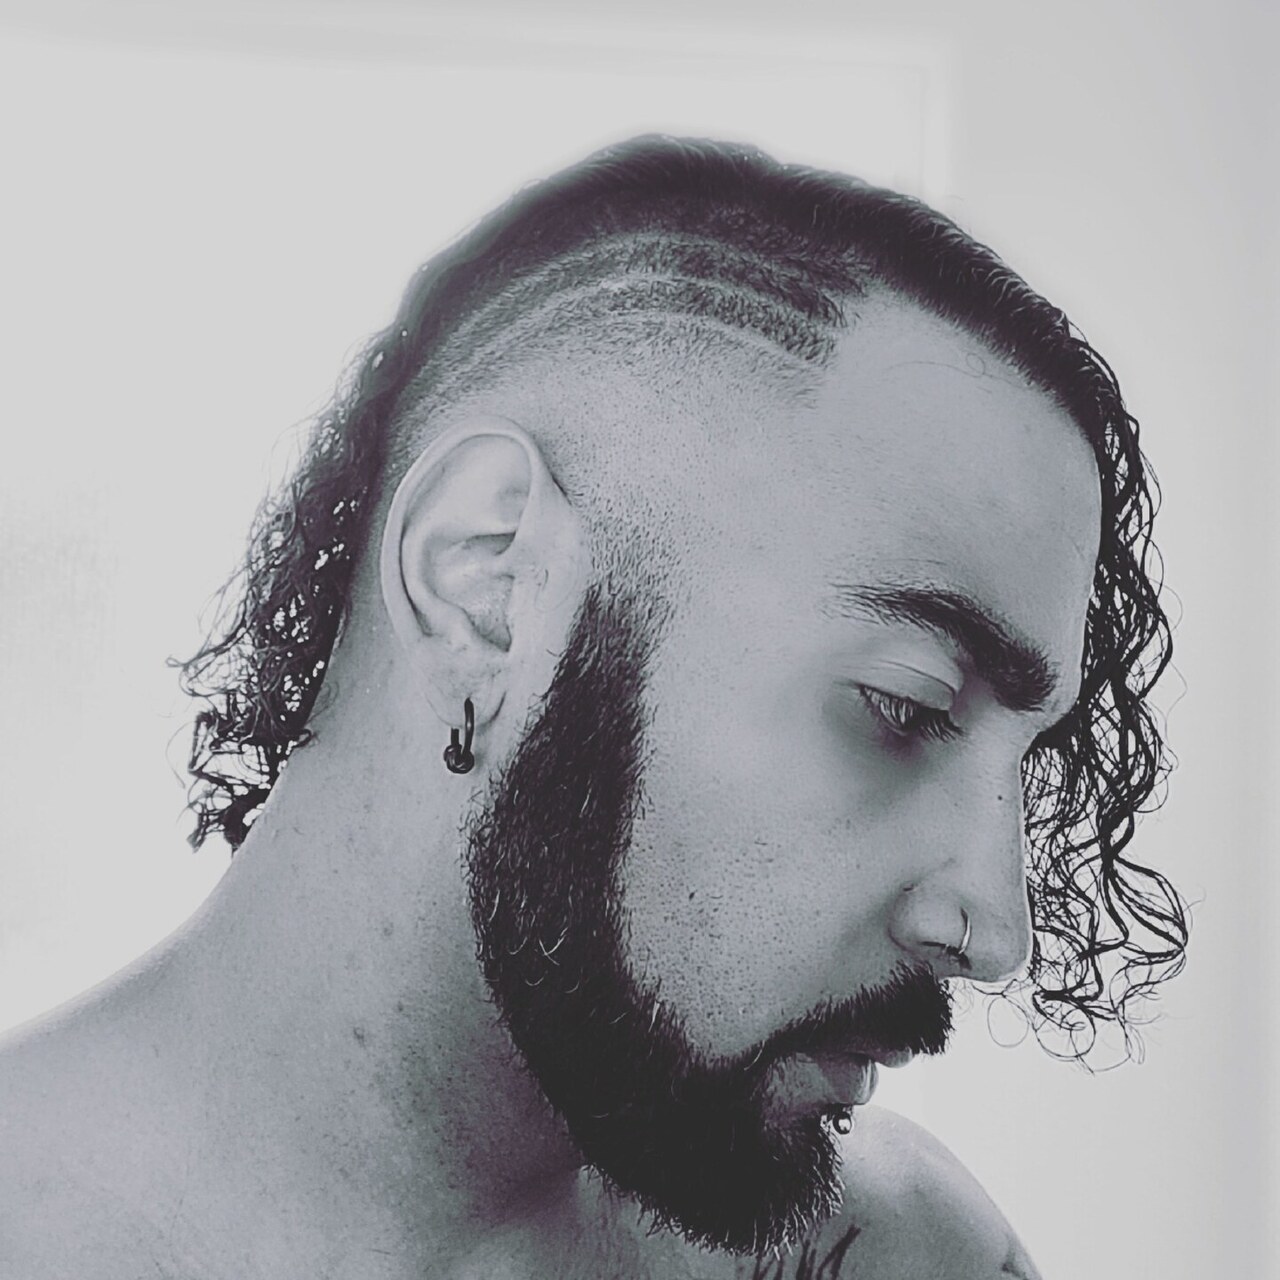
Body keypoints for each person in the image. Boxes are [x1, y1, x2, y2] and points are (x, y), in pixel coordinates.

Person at [0, 136, 1187, 1279]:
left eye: (1025, 762)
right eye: (902, 704)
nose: (994, 929)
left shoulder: (902, 1251)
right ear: (488, 582)